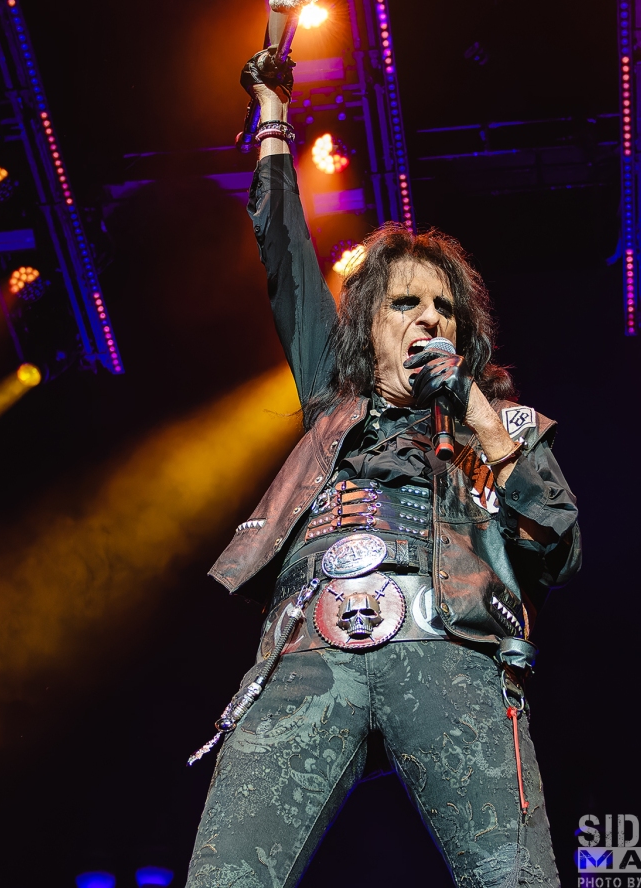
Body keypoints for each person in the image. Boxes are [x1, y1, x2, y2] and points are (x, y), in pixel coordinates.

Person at [186, 55, 581, 888]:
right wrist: (271, 115)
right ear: (368, 326)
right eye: (406, 304)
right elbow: (286, 255)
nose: (428, 319)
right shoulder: (332, 398)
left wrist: (476, 409)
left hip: (451, 655)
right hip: (308, 654)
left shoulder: (496, 421)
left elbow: (558, 545)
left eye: (444, 309)